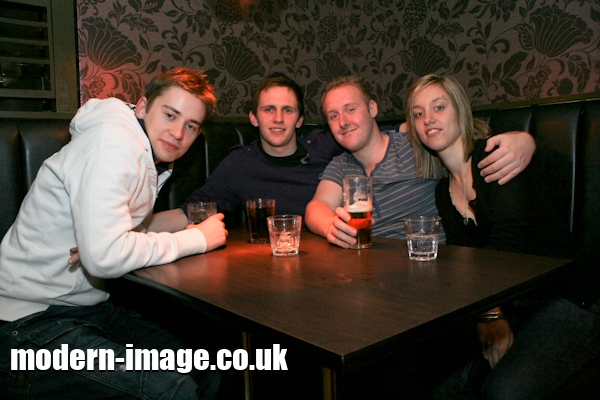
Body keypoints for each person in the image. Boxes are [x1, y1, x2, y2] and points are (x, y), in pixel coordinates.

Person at [0, 68, 226, 399]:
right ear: (142, 107)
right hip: (26, 324)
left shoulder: (146, 152)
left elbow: (118, 235)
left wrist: (178, 223)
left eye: (191, 125)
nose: (178, 133)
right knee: (172, 389)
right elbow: (104, 257)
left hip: (88, 310)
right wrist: (197, 239)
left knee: (203, 367)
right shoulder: (114, 144)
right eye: (170, 114)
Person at [405, 73, 600, 400]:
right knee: (440, 386)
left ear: (460, 112)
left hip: (569, 297)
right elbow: (469, 264)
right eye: (418, 113)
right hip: (516, 305)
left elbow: (509, 246)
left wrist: (491, 313)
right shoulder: (443, 192)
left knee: (504, 392)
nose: (428, 119)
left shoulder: (496, 157)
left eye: (439, 107)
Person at [305, 75, 536, 248]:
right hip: (369, 269)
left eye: (350, 109)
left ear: (372, 108)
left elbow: (459, 141)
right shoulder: (339, 165)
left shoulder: (418, 147)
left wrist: (524, 139)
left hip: (426, 265)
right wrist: (330, 226)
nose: (343, 122)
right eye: (333, 116)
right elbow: (316, 207)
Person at [142, 72, 343, 232]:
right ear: (253, 118)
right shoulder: (240, 164)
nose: (278, 118)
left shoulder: (326, 147)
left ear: (300, 120)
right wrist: (133, 229)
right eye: (269, 109)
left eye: (288, 110)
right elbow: (189, 212)